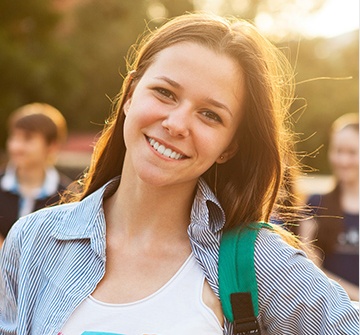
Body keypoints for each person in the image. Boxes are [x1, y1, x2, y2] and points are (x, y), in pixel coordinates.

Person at [0, 13, 358, 335]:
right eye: (165, 93)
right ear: (129, 94)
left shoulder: (257, 260)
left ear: (229, 147)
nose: (176, 124)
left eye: (210, 115)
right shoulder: (34, 242)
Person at [300, 113, 359, 301]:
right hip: (334, 314)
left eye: (351, 152)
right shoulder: (315, 205)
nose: (343, 160)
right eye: (338, 151)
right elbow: (309, 266)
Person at [0, 102, 71, 247]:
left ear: (52, 145)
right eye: (13, 137)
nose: (15, 146)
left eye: (27, 138)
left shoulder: (69, 198)